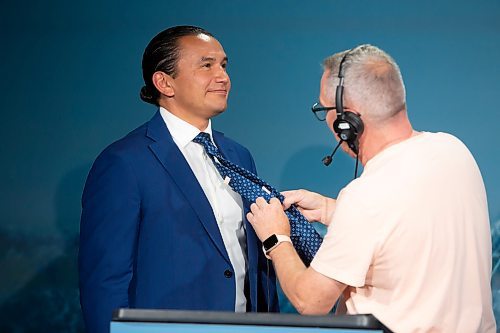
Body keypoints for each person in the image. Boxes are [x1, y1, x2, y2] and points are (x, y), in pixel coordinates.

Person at [247, 44, 496, 332]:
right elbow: (408, 222)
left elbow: (310, 300)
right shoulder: (454, 150)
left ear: (346, 120)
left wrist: (276, 238)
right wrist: (331, 210)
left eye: (324, 109)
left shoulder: (365, 197)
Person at [78, 25, 279, 333]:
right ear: (164, 82)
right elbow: (105, 280)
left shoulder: (239, 155)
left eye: (224, 65)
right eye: (206, 65)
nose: (222, 76)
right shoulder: (124, 163)